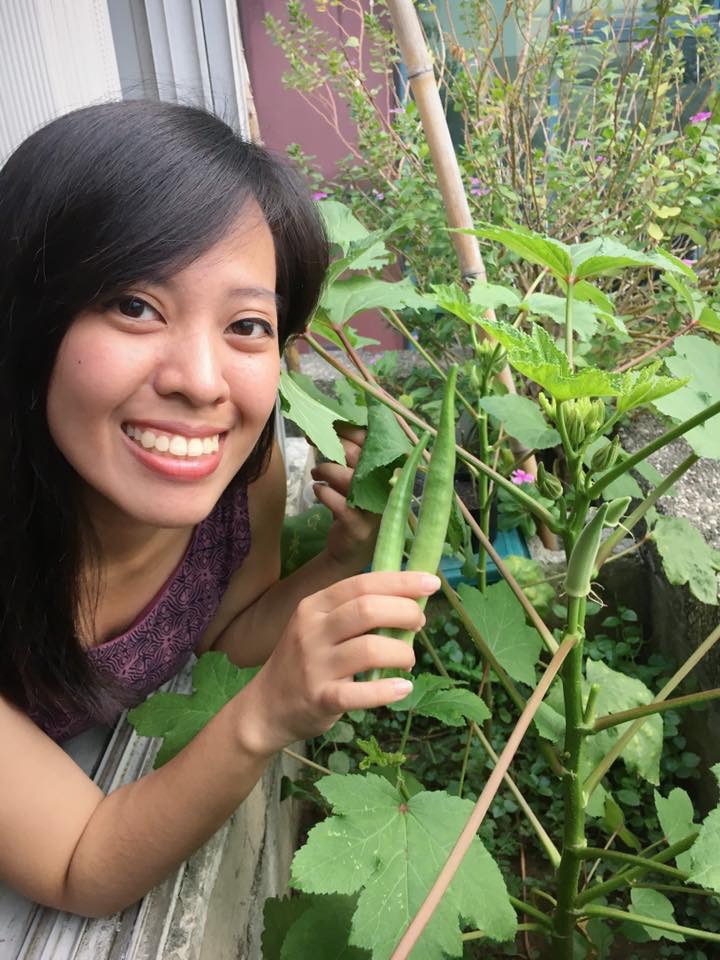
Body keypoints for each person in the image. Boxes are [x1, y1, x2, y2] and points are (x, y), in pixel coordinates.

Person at [0, 100, 439, 918]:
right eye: (136, 305)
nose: (201, 381)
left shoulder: (246, 477)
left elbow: (225, 632)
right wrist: (263, 718)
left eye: (246, 324)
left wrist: (340, 562)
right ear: (25, 314)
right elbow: (78, 867)